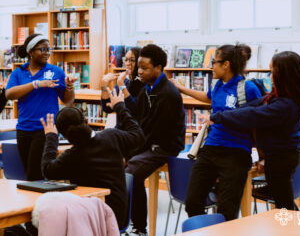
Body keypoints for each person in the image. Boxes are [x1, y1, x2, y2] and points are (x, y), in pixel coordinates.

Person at [204, 51, 300, 210]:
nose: (270, 76)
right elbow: (253, 105)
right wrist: (225, 113)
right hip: (279, 156)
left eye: (273, 71)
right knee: (283, 200)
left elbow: (254, 115)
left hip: (281, 159)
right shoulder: (278, 98)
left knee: (284, 204)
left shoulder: (286, 105)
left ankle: (294, 230)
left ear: (283, 74)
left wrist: (220, 117)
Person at [171, 44, 262, 221]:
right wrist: (181, 89)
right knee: (193, 202)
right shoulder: (218, 85)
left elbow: (258, 119)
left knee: (227, 209)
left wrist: (262, 155)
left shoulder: (248, 88)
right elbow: (207, 97)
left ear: (226, 64)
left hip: (236, 152)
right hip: (210, 150)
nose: (211, 66)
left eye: (214, 62)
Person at [40, 90, 145, 230]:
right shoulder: (112, 136)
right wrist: (120, 106)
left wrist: (51, 137)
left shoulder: (72, 156)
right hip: (118, 215)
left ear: (64, 134)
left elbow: (47, 170)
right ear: (85, 121)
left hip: (90, 219)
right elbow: (138, 136)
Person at [124, 44, 186, 235]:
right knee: (118, 162)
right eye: (139, 67)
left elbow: (156, 130)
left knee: (132, 172)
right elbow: (139, 117)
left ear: (159, 68)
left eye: (145, 68)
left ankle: (139, 228)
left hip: (164, 145)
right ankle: (122, 223)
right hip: (149, 141)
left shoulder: (167, 93)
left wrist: (132, 149)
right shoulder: (147, 87)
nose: (139, 71)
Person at [5, 33, 76, 180]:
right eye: (42, 49)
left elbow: (67, 101)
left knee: (35, 176)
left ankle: (41, 203)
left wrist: (69, 87)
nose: (47, 53)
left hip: (46, 130)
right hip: (23, 130)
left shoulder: (56, 71)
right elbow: (9, 94)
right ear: (30, 52)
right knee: (28, 175)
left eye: (48, 50)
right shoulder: (18, 72)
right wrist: (35, 84)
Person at [101, 47, 145, 130]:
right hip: (120, 131)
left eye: (132, 60)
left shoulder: (145, 85)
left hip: (134, 132)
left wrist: (121, 84)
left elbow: (134, 110)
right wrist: (104, 85)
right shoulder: (125, 82)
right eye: (126, 60)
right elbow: (107, 108)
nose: (128, 63)